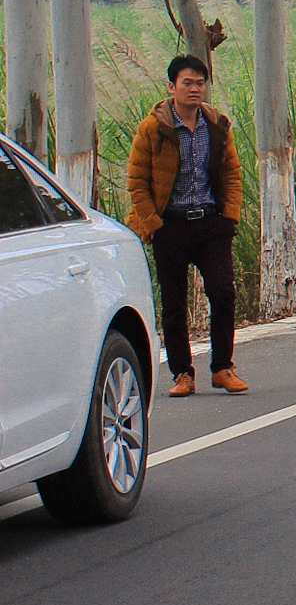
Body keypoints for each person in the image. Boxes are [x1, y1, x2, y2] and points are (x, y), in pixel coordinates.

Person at [125, 55, 248, 397]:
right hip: (171, 225)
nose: (194, 89)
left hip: (211, 223)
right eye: (187, 83)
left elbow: (232, 173)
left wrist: (229, 216)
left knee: (222, 293)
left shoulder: (217, 125)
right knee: (174, 302)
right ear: (171, 87)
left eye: (199, 83)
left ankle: (222, 367)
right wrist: (154, 225)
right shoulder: (153, 127)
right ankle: (182, 373)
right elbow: (137, 181)